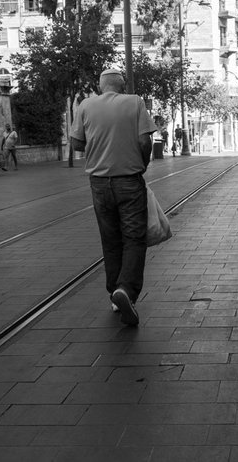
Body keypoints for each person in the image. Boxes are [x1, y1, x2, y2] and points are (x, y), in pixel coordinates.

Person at [71, 69, 157, 326]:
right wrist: (141, 165)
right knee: (134, 238)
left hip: (98, 184)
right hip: (129, 181)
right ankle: (126, 290)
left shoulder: (86, 105)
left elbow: (76, 143)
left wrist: (97, 143)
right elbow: (144, 142)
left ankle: (114, 294)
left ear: (100, 86)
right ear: (122, 86)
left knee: (110, 239)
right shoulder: (135, 102)